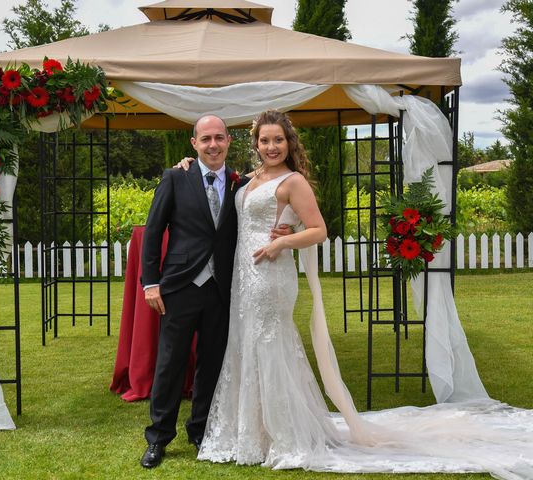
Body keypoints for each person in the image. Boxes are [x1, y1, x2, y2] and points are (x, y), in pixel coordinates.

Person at [192, 110, 533, 478]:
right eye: (264, 140)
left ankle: (284, 433)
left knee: (270, 343)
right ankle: (251, 432)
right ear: (255, 143)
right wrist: (187, 163)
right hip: (243, 277)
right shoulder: (250, 179)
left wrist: (286, 241)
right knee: (246, 343)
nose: (271, 146)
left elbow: (319, 229)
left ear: (289, 142)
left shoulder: (294, 181)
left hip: (272, 275)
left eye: (278, 140)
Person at [139, 114, 290, 469]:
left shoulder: (242, 185)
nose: (213, 144)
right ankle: (159, 437)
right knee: (170, 365)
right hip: (179, 287)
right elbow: (153, 230)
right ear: (193, 143)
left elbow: (271, 199)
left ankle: (201, 429)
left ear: (228, 142)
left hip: (223, 289)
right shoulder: (175, 178)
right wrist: (150, 282)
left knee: (213, 364)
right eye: (205, 138)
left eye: (219, 138)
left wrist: (283, 231)